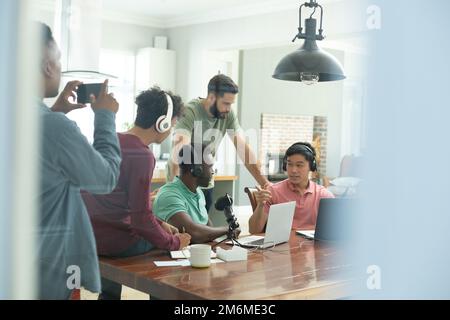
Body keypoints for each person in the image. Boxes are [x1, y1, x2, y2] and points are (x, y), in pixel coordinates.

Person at [82, 87, 192, 300]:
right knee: (168, 250)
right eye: (173, 125)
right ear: (163, 123)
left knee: (157, 232)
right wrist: (175, 241)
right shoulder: (143, 156)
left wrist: (159, 223)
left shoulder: (106, 140)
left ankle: (108, 295)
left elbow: (120, 205)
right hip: (118, 244)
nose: (171, 132)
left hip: (93, 238)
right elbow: (141, 220)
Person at [37, 23, 121, 299]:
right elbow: (106, 178)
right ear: (46, 65)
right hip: (48, 273)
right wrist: (105, 116)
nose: (60, 67)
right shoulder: (55, 127)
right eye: (59, 59)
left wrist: (54, 110)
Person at [167, 74, 270, 212]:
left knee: (201, 228)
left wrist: (265, 184)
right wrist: (175, 195)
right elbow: (178, 154)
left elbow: (243, 149)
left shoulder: (228, 115)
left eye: (231, 104)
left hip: (205, 183)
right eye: (226, 103)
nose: (229, 108)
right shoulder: (190, 111)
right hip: (183, 185)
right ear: (211, 98)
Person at [155, 143, 240, 243]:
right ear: (197, 170)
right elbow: (193, 233)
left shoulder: (198, 192)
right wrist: (227, 229)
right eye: (210, 167)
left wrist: (226, 232)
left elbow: (209, 231)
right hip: (172, 257)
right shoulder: (169, 195)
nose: (213, 172)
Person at [248, 142, 335, 234]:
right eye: (290, 164)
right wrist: (261, 205)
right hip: (282, 246)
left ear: (311, 167)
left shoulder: (324, 195)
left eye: (299, 165)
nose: (293, 170)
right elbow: (253, 231)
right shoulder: (272, 192)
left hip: (314, 247)